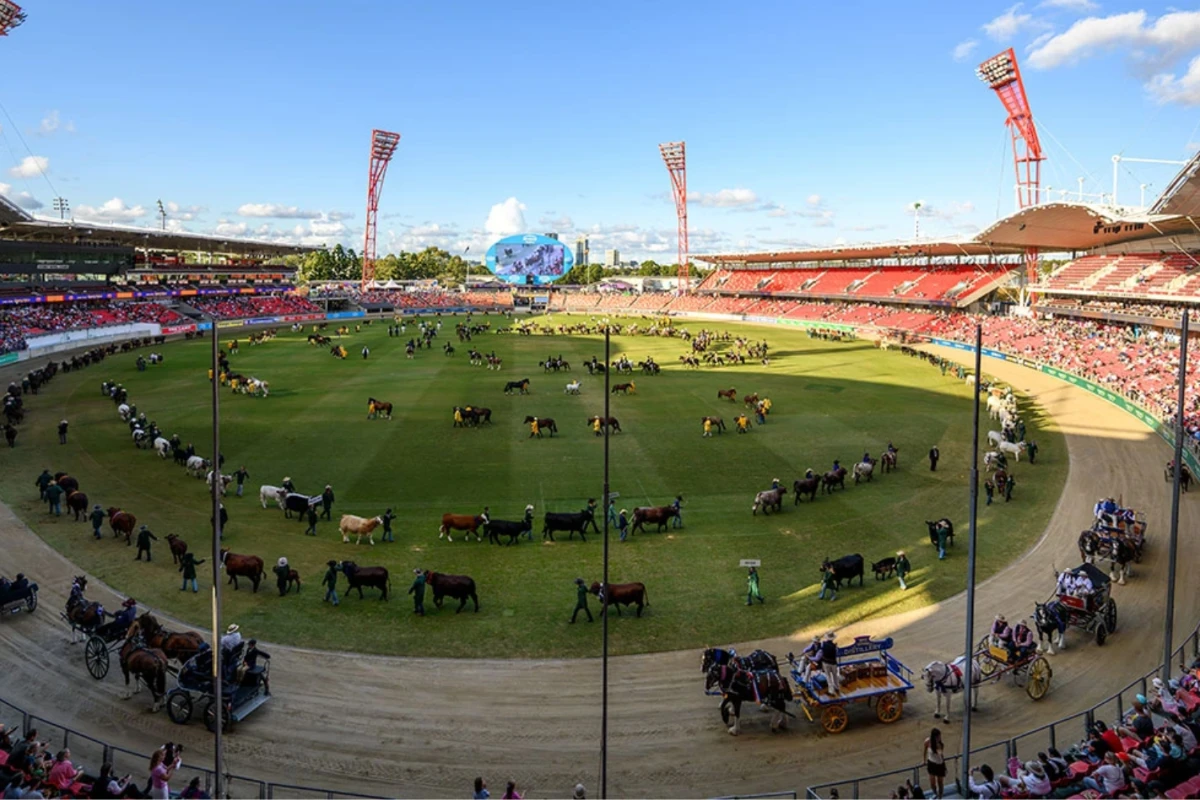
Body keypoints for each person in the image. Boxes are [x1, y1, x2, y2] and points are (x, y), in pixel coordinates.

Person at [923, 727, 946, 799]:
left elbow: (940, 754)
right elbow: (925, 751)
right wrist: (924, 760)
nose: (939, 738)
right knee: (932, 783)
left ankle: (940, 797)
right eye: (938, 737)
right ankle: (935, 793)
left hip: (939, 764)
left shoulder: (940, 744)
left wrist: (937, 745)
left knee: (940, 782)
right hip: (931, 763)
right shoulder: (927, 741)